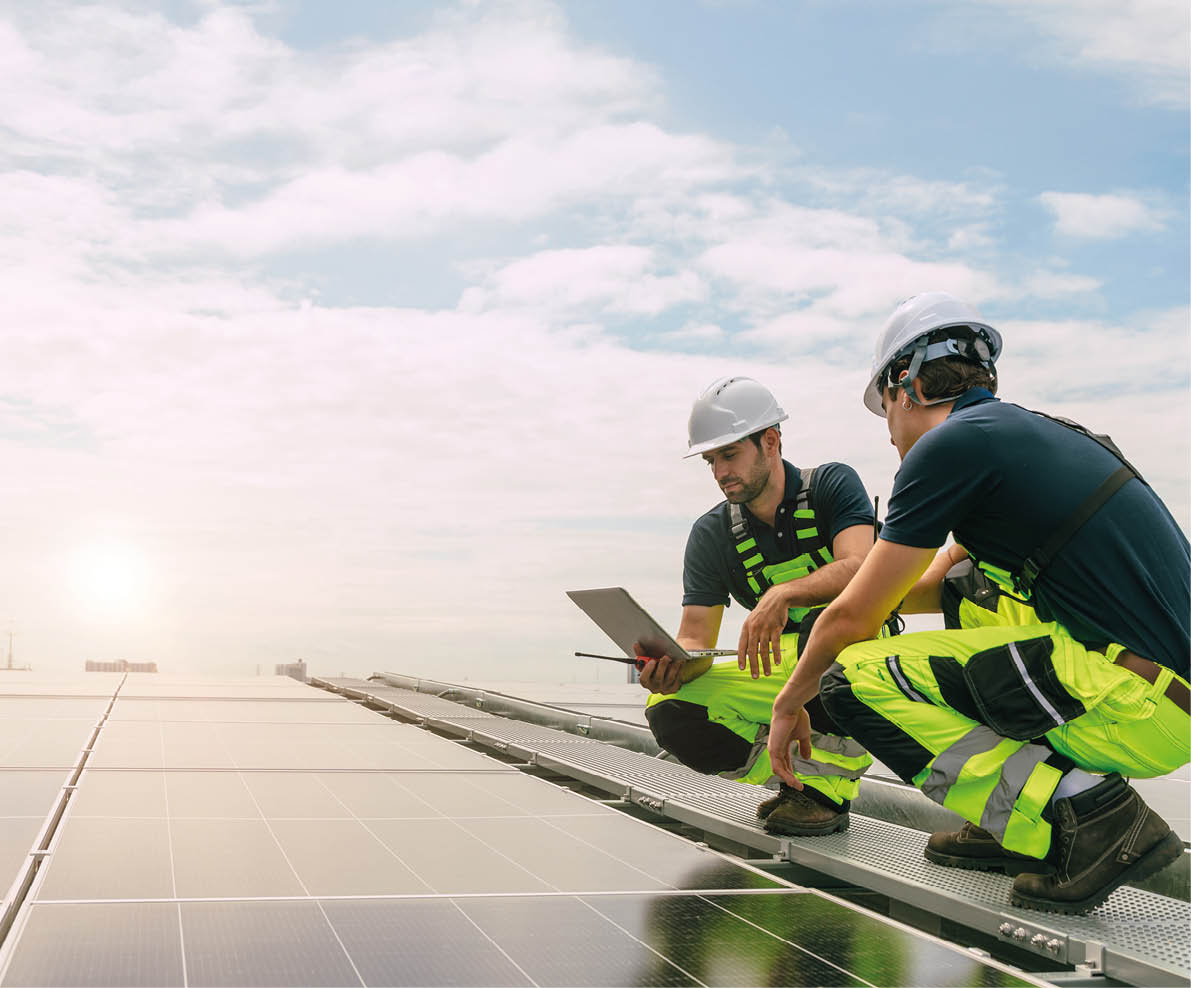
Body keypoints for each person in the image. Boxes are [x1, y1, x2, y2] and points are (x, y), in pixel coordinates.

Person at [767, 292, 1190, 914]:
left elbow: (857, 619)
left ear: (904, 384)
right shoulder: (1029, 438)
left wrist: (788, 701)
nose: (888, 435)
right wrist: (823, 588)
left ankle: (1088, 814)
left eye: (884, 411)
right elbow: (927, 584)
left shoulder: (952, 447)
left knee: (848, 683)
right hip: (1162, 698)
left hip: (1131, 700)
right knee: (970, 588)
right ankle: (1018, 831)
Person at [639, 375, 878, 836]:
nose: (719, 472)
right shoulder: (711, 534)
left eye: (730, 455)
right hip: (781, 666)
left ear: (770, 442)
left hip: (857, 661)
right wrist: (673, 666)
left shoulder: (831, 485)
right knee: (670, 708)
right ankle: (797, 782)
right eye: (711, 460)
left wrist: (784, 592)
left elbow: (863, 567)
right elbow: (696, 638)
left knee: (821, 644)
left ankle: (824, 793)